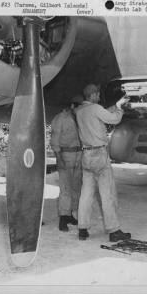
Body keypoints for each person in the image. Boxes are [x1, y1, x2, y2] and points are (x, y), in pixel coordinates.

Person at [75, 84, 131, 242]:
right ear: (92, 95)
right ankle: (114, 231)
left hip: (86, 155)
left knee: (85, 195)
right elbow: (114, 119)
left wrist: (113, 106)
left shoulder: (79, 111)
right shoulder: (95, 108)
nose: (99, 97)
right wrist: (119, 107)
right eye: (98, 94)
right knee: (107, 194)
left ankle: (83, 228)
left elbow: (101, 114)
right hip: (99, 154)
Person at [50, 95, 84, 232]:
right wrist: (59, 159)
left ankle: (70, 214)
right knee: (65, 188)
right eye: (78, 106)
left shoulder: (77, 118)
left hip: (78, 155)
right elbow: (54, 141)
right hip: (66, 155)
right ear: (72, 106)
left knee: (76, 188)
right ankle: (63, 218)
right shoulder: (60, 119)